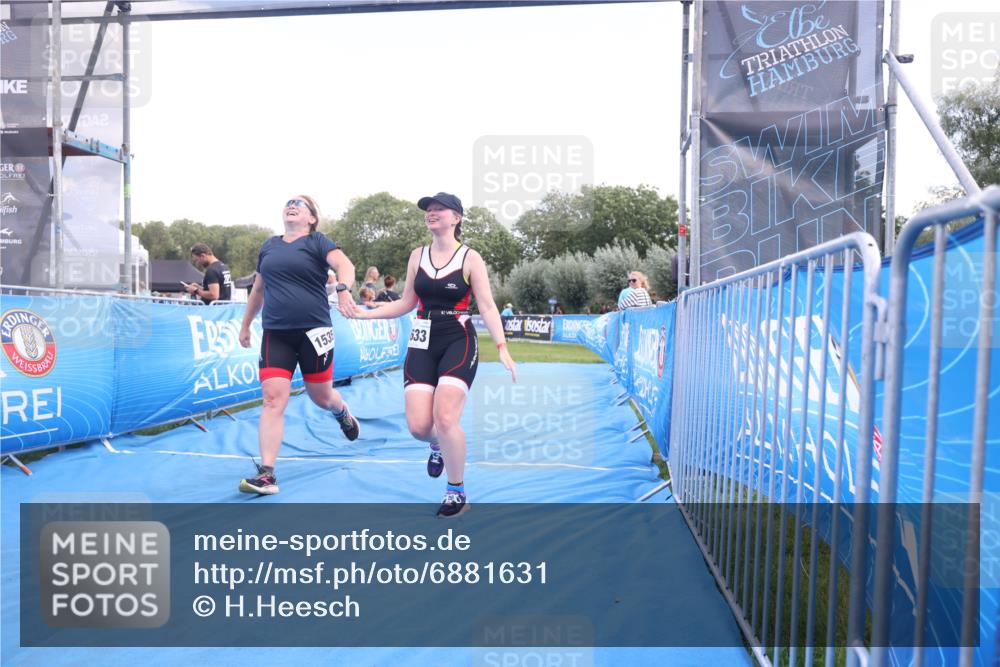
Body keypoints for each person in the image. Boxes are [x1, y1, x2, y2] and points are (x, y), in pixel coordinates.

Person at [349, 191, 517, 517]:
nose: (432, 213)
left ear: (456, 218)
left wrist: (502, 347)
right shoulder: (417, 256)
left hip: (458, 337)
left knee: (445, 417)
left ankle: (456, 491)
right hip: (422, 337)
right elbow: (406, 303)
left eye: (440, 209)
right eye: (429, 209)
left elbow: (486, 305)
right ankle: (438, 444)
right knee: (419, 427)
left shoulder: (471, 258)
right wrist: (364, 314)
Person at [237, 195, 361, 495]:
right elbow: (258, 289)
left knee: (321, 396)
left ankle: (340, 410)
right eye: (288, 203)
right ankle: (266, 474)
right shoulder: (269, 246)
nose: (292, 206)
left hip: (314, 331)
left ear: (312, 218)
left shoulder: (318, 242)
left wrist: (343, 291)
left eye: (300, 204)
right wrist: (245, 324)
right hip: (276, 333)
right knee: (272, 399)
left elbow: (345, 265)